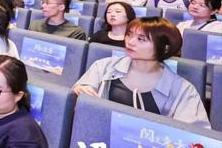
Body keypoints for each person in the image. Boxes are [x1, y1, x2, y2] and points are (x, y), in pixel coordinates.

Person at [73, 17, 210, 128]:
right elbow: (79, 96)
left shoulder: (182, 89)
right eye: (129, 35)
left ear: (164, 48)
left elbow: (194, 135)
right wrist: (80, 91)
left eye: (141, 39)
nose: (130, 42)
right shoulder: (105, 66)